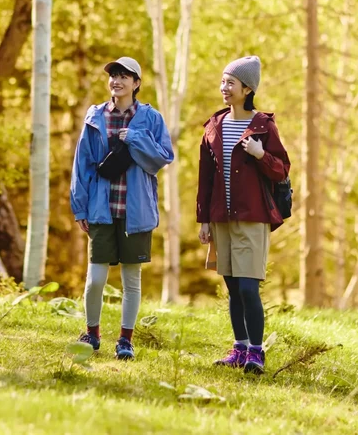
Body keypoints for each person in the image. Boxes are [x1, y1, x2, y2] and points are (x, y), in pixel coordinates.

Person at [69, 57, 174, 360]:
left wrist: (137, 138)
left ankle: (125, 340)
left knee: (131, 280)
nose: (117, 81)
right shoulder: (95, 117)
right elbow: (82, 164)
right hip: (101, 208)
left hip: (135, 211)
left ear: (137, 83)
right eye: (113, 76)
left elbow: (163, 158)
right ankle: (92, 332)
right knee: (95, 279)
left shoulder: (151, 119)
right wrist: (80, 207)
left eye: (124, 76)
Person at [196, 55, 290, 375]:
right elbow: (205, 177)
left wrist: (261, 154)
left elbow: (281, 170)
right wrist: (204, 220)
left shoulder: (263, 125)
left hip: (253, 217)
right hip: (221, 217)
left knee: (249, 287)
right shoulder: (214, 125)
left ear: (247, 89)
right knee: (233, 288)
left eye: (230, 83)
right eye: (223, 81)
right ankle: (239, 348)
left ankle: (256, 352)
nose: (224, 87)